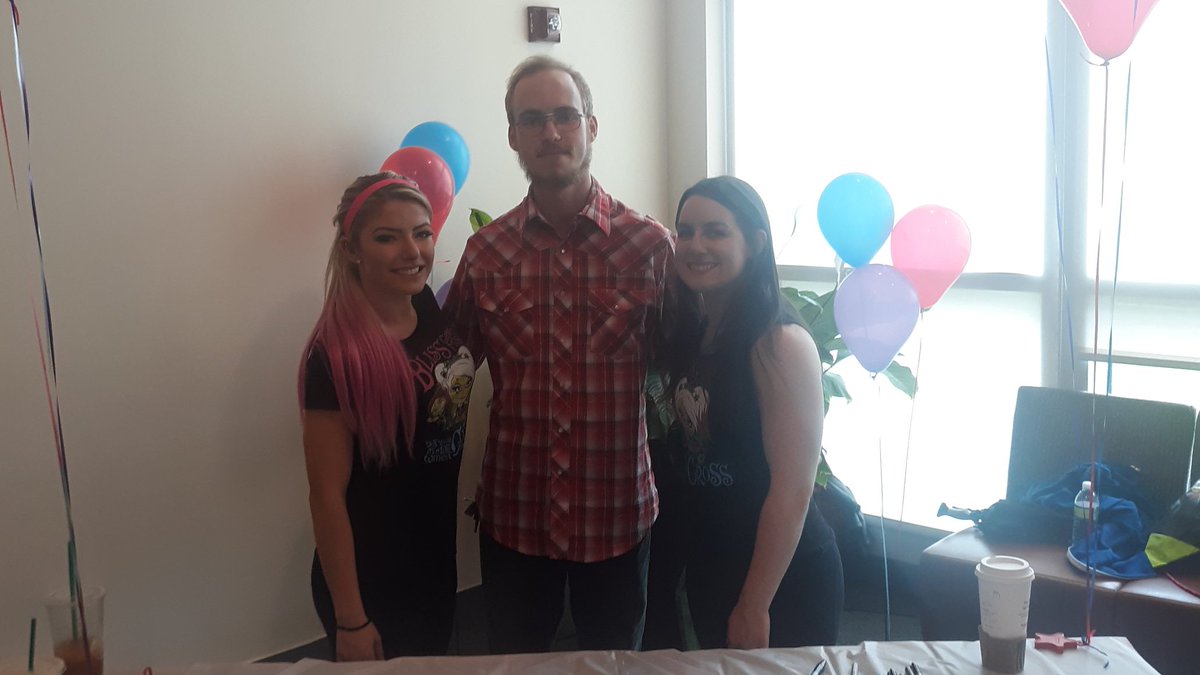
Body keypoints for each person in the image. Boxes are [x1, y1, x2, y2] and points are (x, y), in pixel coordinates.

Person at [443, 55, 673, 653]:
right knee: (513, 663)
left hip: (618, 513)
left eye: (565, 116)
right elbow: (447, 376)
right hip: (516, 514)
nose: (551, 133)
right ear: (513, 136)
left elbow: (693, 369)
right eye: (533, 119)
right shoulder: (486, 254)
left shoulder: (651, 248)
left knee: (617, 661)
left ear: (591, 126)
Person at [298, 171, 475, 660]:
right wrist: (351, 619)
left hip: (435, 566)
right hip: (373, 587)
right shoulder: (334, 356)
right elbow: (326, 497)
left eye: (421, 233)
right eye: (387, 237)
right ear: (353, 249)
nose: (412, 251)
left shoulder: (426, 308)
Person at [662, 176, 843, 649]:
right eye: (685, 231)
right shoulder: (701, 332)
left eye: (715, 231)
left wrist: (754, 604)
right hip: (715, 569)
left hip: (780, 580)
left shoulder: (780, 343)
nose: (695, 245)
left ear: (756, 242)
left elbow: (794, 488)